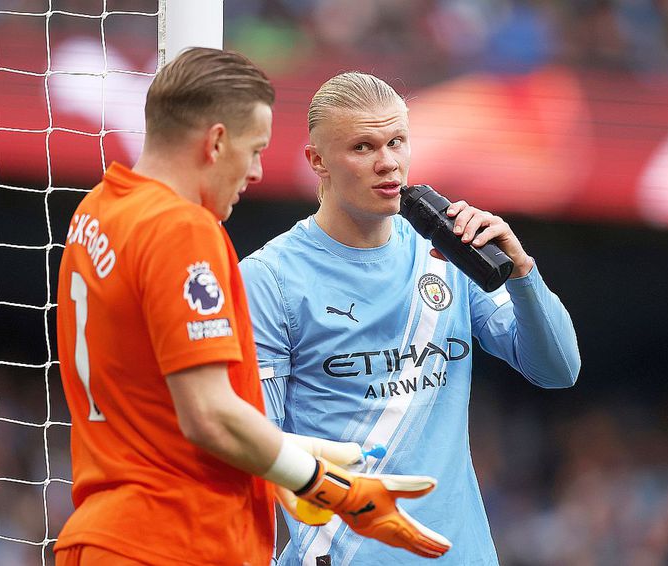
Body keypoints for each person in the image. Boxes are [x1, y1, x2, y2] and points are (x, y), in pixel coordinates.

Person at [54, 50, 451, 566]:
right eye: (255, 149)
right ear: (217, 142)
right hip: (174, 539)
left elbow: (162, 401)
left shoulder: (98, 211)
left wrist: (297, 453)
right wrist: (333, 490)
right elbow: (209, 417)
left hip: (104, 531)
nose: (259, 171)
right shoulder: (182, 229)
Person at [240, 72, 581, 565]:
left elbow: (557, 371)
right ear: (317, 161)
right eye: (362, 147)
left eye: (397, 141)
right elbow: (256, 452)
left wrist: (522, 273)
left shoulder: (447, 252)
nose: (388, 163)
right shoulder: (270, 279)